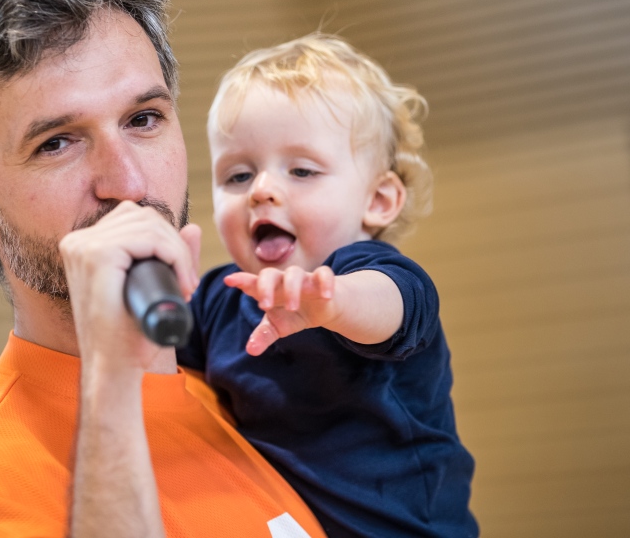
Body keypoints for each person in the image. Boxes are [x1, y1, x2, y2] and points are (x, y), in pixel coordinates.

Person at [0, 0, 329, 536]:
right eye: (56, 143)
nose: (128, 185)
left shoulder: (241, 398)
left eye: (142, 119)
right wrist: (112, 387)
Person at [177, 34, 479, 537]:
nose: (262, 190)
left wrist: (334, 304)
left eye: (301, 170)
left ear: (378, 200)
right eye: (238, 176)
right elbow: (153, 354)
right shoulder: (218, 298)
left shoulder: (370, 274)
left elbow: (395, 305)